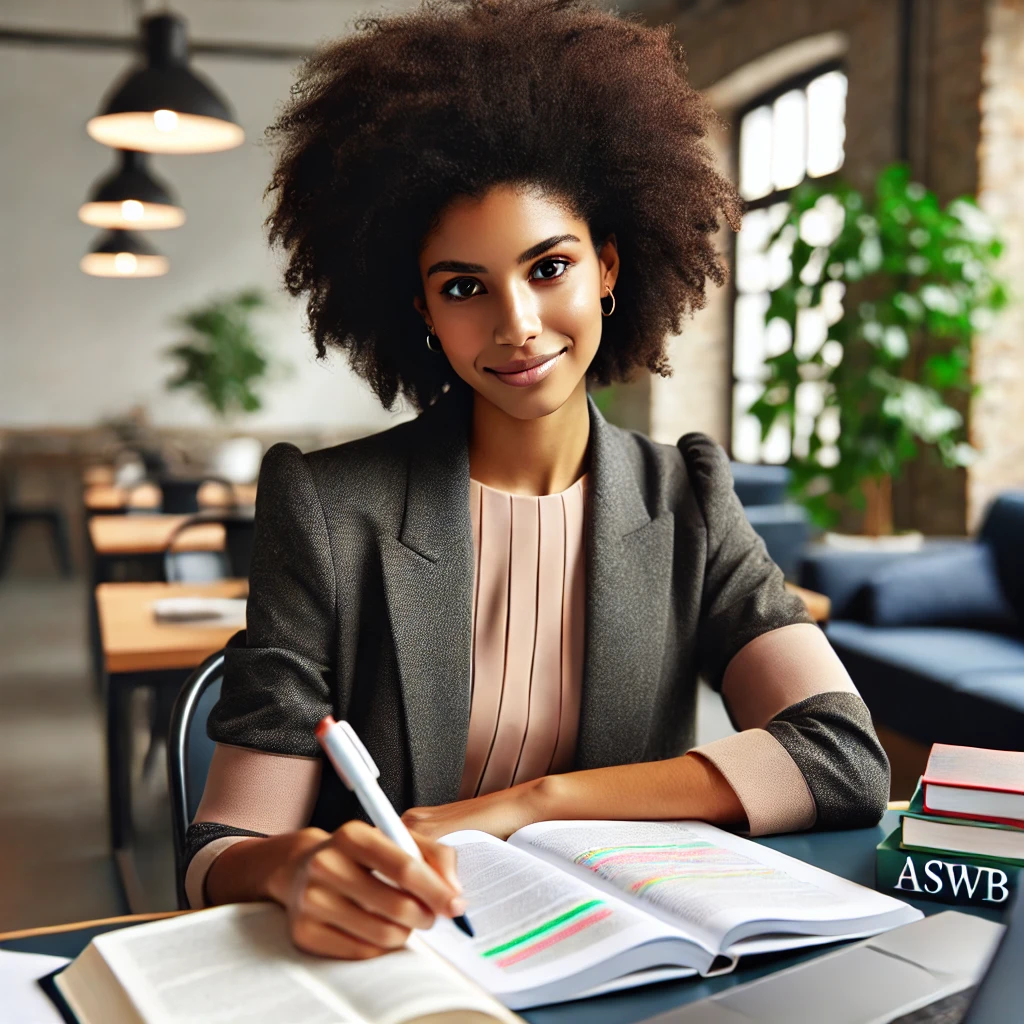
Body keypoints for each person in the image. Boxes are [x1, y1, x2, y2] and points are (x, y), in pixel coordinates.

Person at [183, 0, 889, 962]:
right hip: (409, 965)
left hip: (632, 965)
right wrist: (296, 868)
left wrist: (527, 804)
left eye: (548, 266)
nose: (515, 323)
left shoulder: (685, 498)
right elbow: (226, 846)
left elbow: (843, 756)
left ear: (605, 267)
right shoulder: (326, 509)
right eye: (464, 286)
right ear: (425, 313)